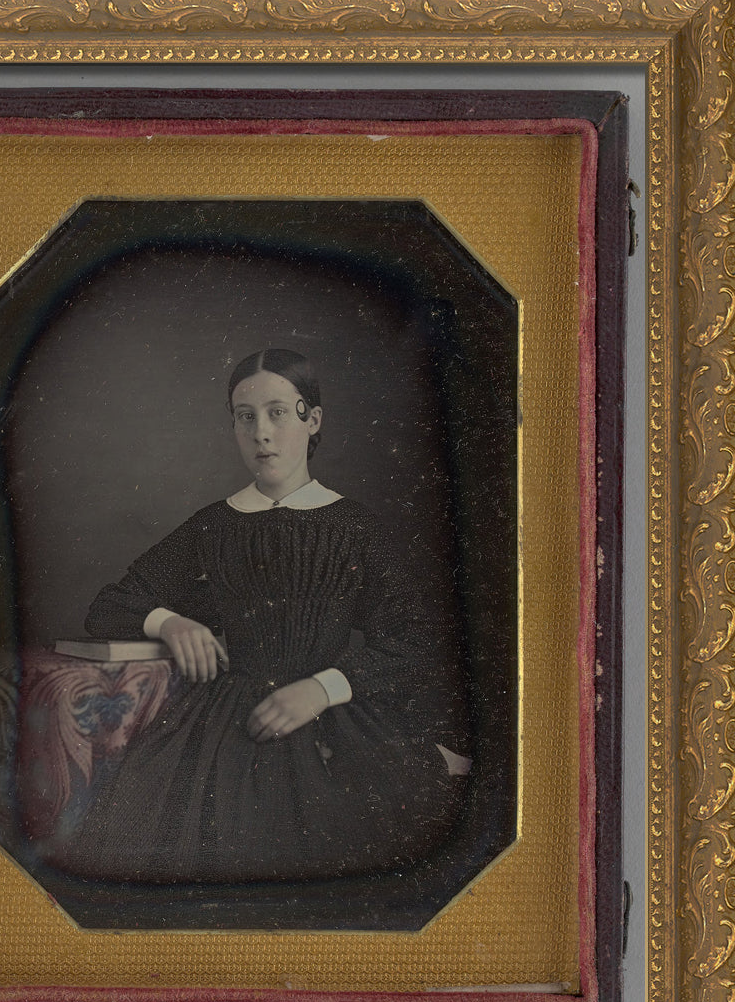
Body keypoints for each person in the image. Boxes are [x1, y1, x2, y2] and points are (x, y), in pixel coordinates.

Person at [68, 348, 471, 885]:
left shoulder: (355, 528)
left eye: (278, 413)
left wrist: (322, 689)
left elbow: (415, 639)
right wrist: (170, 622)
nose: (261, 433)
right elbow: (109, 606)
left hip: (334, 717)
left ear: (313, 420)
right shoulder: (215, 525)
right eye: (246, 416)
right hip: (227, 725)